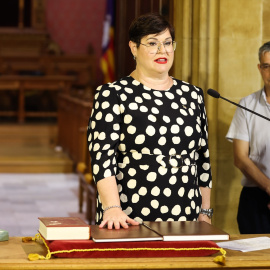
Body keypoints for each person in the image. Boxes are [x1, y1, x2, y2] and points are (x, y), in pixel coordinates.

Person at [87, 13, 213, 229]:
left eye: (167, 43)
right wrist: (112, 208)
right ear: (133, 48)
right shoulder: (113, 94)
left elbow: (202, 158)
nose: (162, 50)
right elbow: (102, 157)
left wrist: (205, 211)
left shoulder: (192, 95)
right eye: (152, 43)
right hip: (131, 213)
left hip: (187, 212)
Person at [226, 41, 270, 234]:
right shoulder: (247, 104)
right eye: (267, 66)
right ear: (259, 68)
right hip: (256, 198)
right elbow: (240, 158)